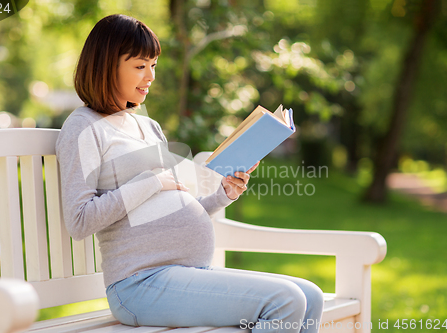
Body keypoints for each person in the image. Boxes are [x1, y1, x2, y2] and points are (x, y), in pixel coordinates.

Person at [56, 14, 324, 333]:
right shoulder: (82, 128)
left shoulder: (147, 126)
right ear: (105, 65)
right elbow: (79, 220)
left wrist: (222, 195)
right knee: (287, 301)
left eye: (153, 65)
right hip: (138, 285)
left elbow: (174, 205)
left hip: (185, 274)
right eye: (140, 66)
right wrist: (152, 182)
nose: (151, 76)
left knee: (311, 296)